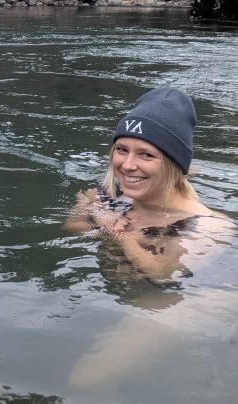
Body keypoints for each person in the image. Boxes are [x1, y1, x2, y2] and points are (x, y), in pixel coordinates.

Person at [66, 86, 231, 280]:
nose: (127, 165)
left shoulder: (209, 227)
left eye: (146, 154)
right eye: (122, 150)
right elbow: (72, 227)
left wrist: (119, 232)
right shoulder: (108, 195)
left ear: (174, 163)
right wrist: (96, 218)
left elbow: (161, 272)